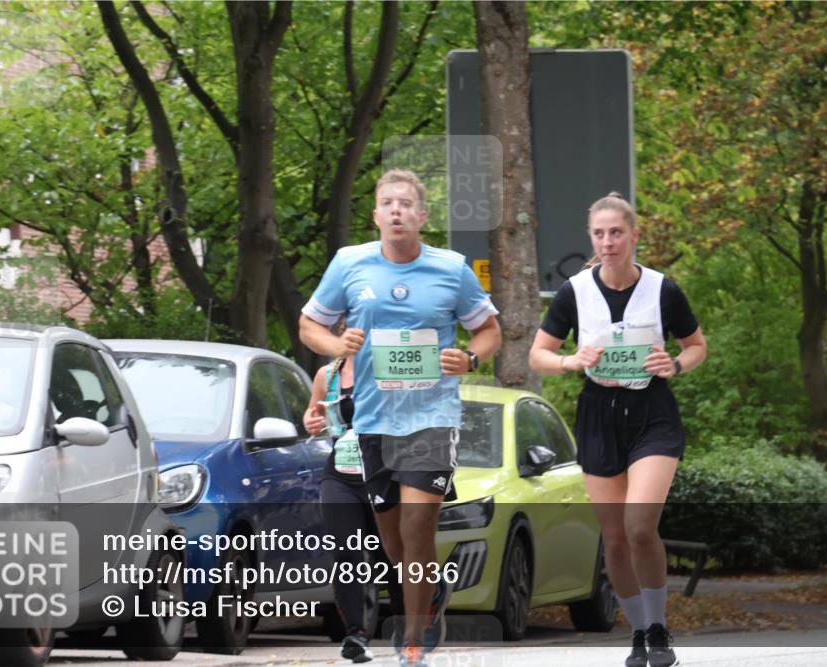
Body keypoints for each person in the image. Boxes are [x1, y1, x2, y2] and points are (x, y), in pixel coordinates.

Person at [299, 169, 501, 667]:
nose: (396, 211)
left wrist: (470, 358)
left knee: (416, 527)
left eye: (406, 204)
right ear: (375, 215)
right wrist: (336, 345)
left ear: (421, 216)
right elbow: (309, 326)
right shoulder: (350, 264)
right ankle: (428, 594)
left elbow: (489, 331)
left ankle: (413, 642)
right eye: (387, 203)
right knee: (393, 543)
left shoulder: (452, 269)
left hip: (432, 417)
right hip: (373, 420)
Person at [528, 192, 706, 667]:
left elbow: (695, 346)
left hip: (652, 413)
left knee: (639, 525)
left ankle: (660, 627)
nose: (608, 242)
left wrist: (676, 364)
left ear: (634, 235)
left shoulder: (663, 290)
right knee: (614, 539)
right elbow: (537, 356)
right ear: (592, 238)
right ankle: (639, 632)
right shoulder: (574, 292)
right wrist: (571, 360)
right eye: (599, 234)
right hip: (598, 413)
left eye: (616, 233)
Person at [303, 354, 404, 664]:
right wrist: (312, 421)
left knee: (390, 556)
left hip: (384, 474)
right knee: (347, 552)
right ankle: (355, 635)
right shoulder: (328, 375)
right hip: (340, 477)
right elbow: (311, 416)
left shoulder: (394, 368)